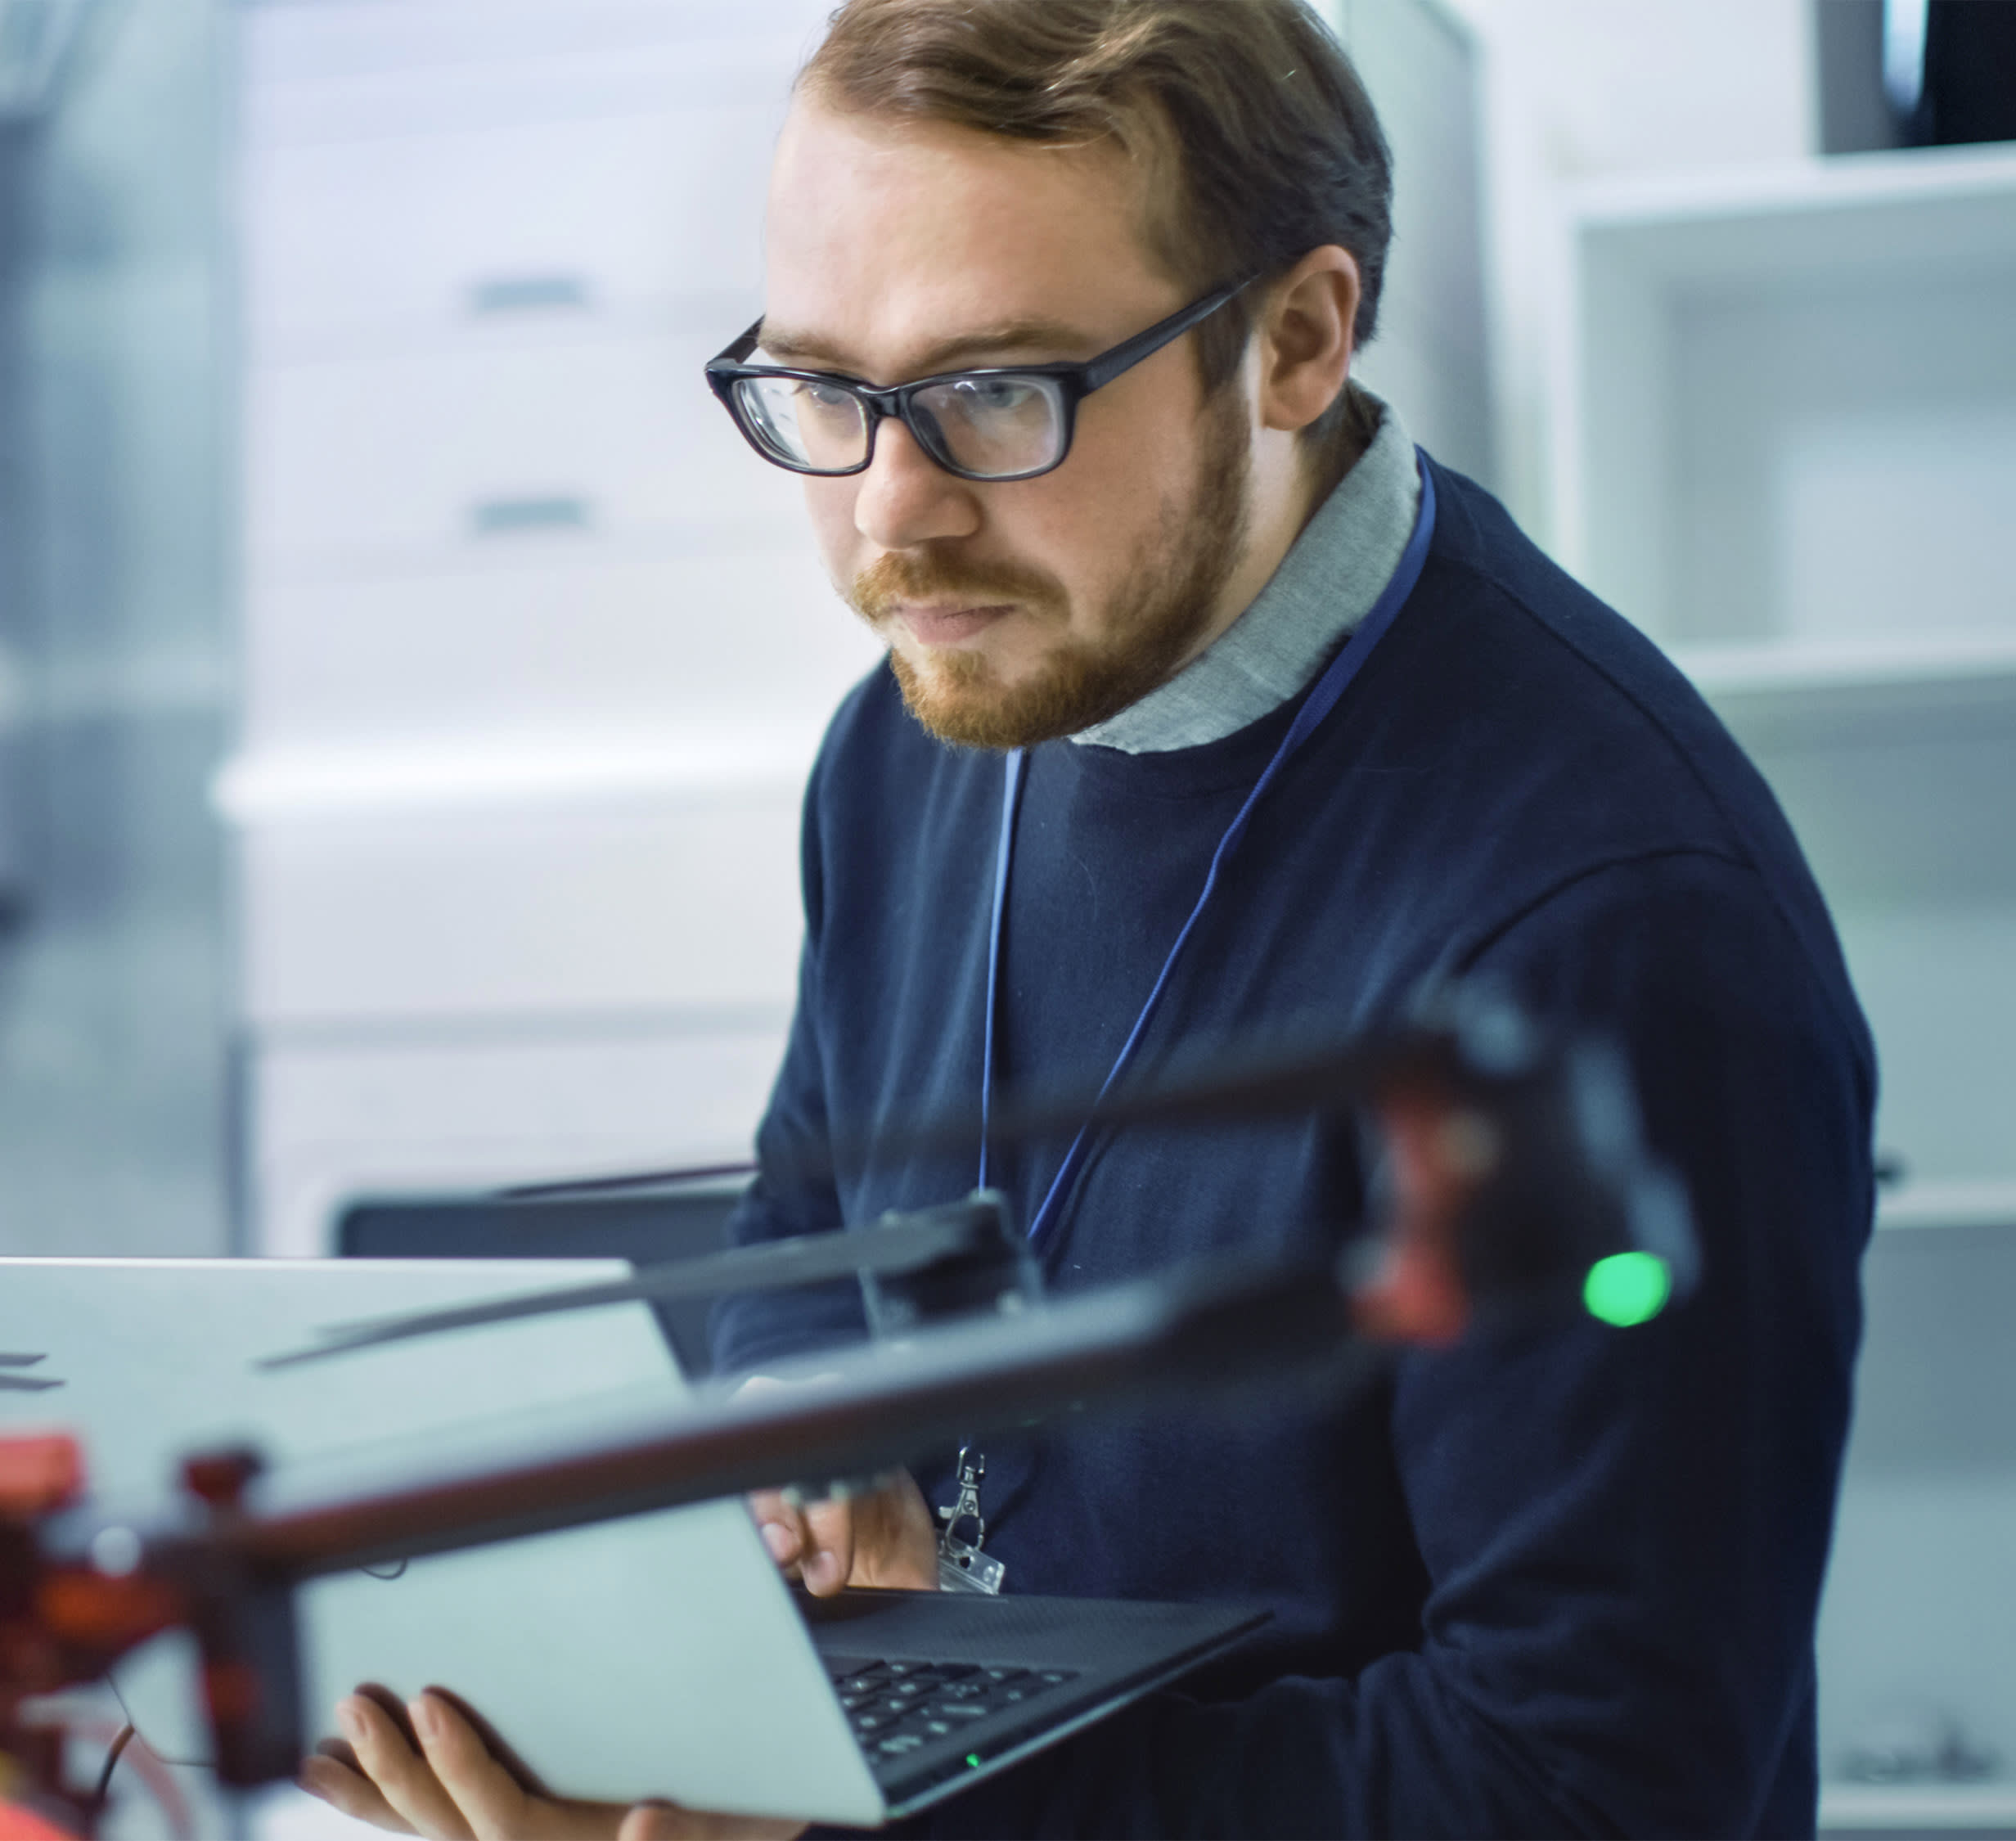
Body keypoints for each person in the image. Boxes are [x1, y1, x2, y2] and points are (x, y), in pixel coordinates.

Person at [299, 1, 1874, 1836]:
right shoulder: (913, 739)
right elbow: (811, 1218)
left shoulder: (1597, 918)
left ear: (1294, 339)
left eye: (993, 393)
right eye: (822, 388)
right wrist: (817, 1440)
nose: (892, 518)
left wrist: (856, 1819)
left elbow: (1576, 1787)